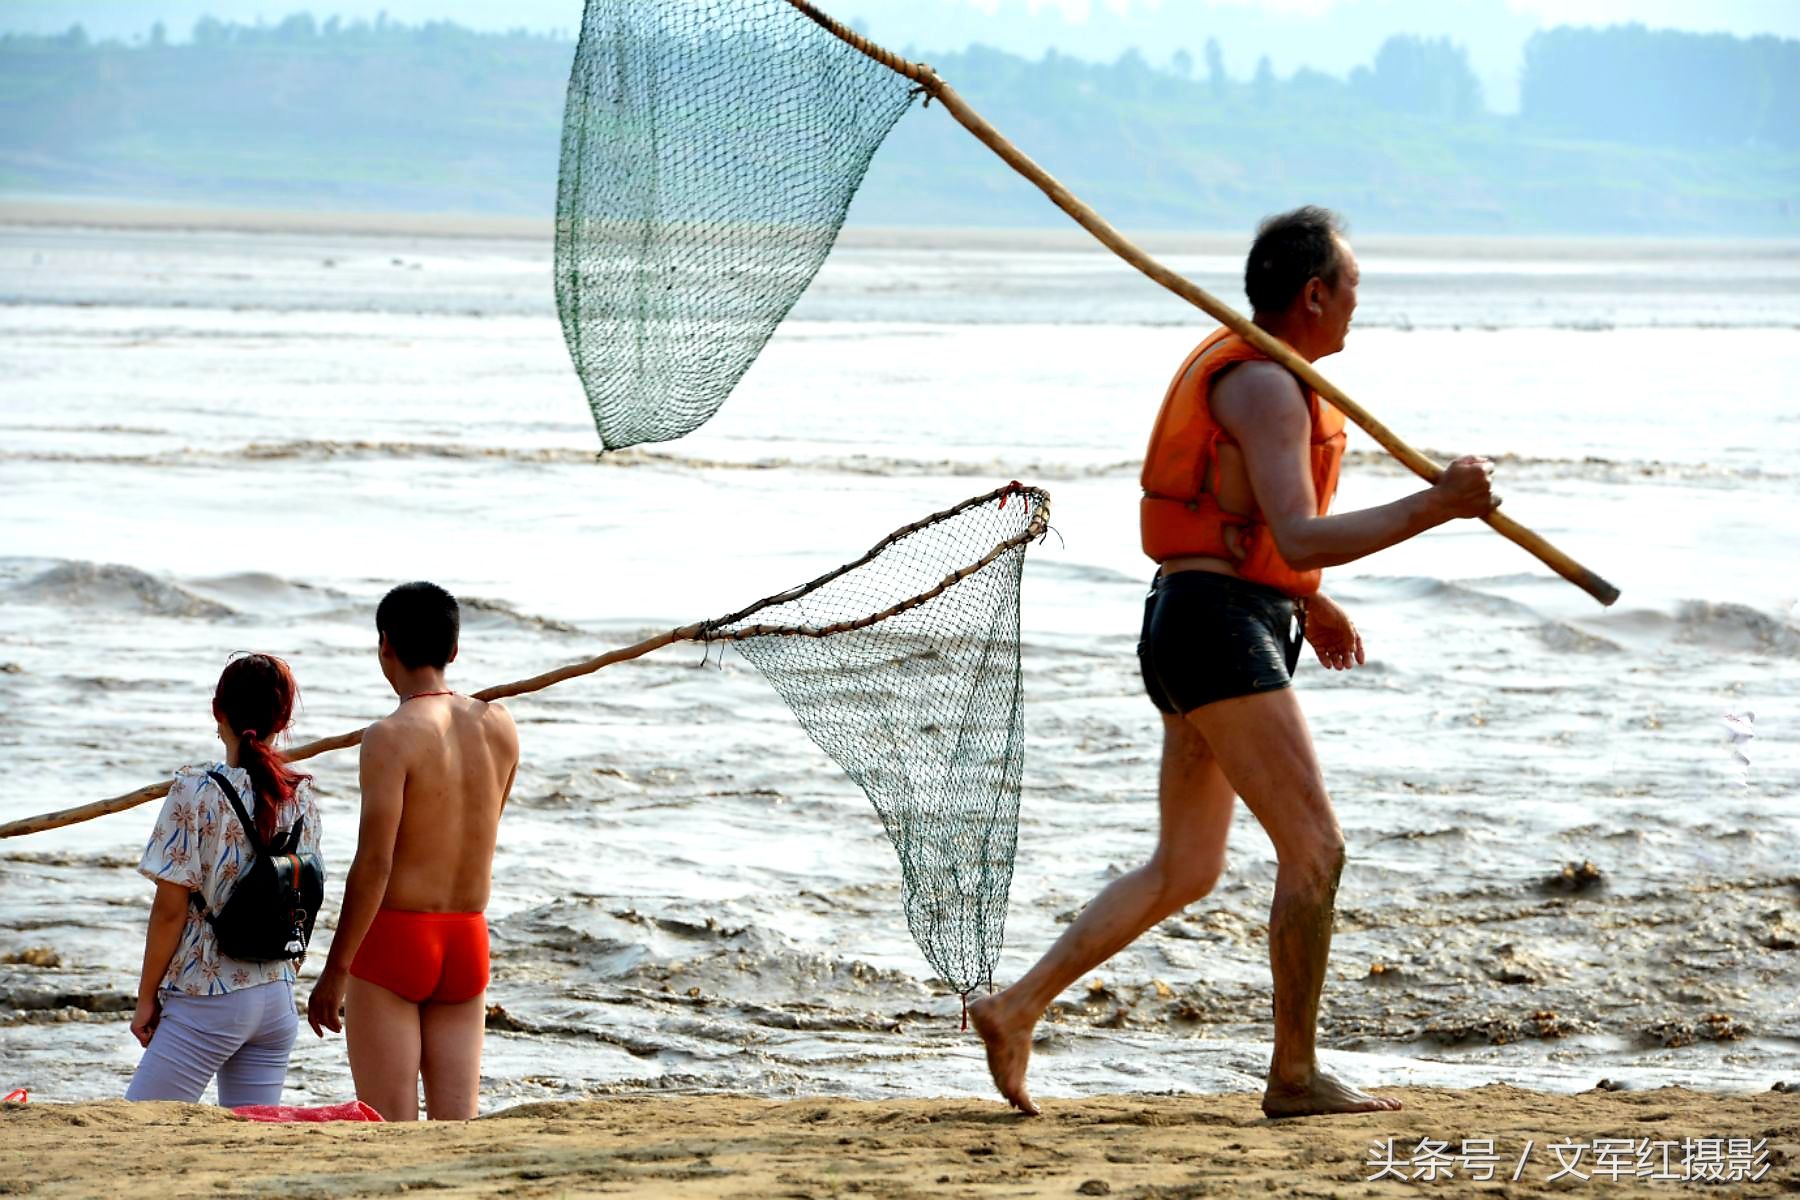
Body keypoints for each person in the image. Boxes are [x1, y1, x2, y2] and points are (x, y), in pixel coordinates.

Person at [970, 206, 1499, 1118]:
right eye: (1354, 289)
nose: (1356, 306)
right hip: (1216, 629)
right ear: (1314, 293)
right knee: (1317, 850)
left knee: (1186, 867)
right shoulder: (1263, 384)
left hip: (1202, 619)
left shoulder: (1269, 378)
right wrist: (1436, 506)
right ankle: (1293, 1076)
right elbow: (1297, 530)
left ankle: (1014, 1007)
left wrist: (1309, 596)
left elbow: (1252, 530)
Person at [306, 581, 519, 1121]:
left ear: (385, 647)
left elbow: (374, 863)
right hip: (467, 939)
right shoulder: (500, 726)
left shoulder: (389, 735)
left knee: (390, 1128)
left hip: (398, 938)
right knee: (457, 1128)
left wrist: (336, 970)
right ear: (453, 650)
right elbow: (482, 830)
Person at [128, 653, 319, 1106]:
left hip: (208, 998)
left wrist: (145, 999)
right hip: (276, 996)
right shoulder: (301, 796)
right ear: (285, 718)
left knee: (143, 1127)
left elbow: (171, 911)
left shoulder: (194, 791)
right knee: (248, 1142)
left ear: (218, 710)